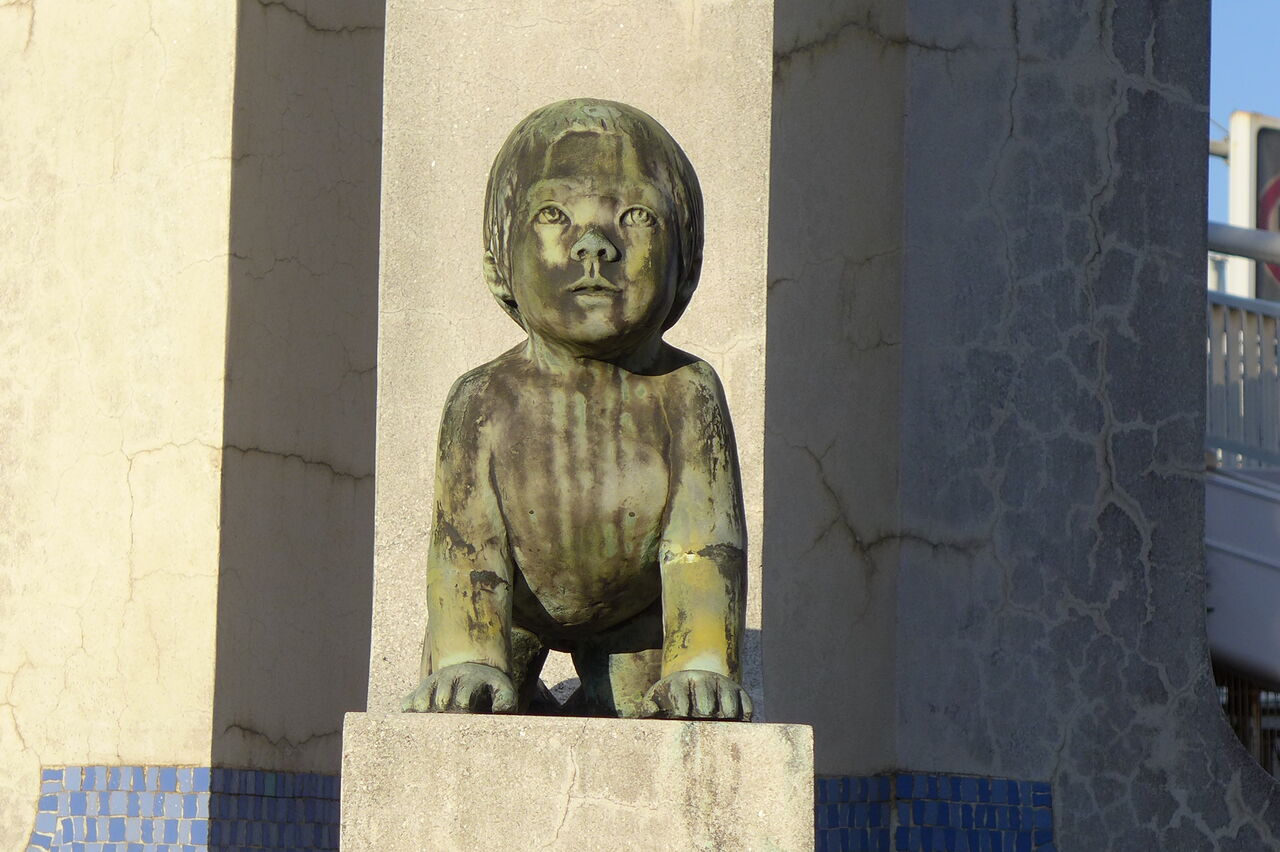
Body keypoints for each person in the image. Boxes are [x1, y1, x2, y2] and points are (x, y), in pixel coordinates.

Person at [401, 98, 751, 720]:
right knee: (468, 692)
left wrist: (700, 661)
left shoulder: (687, 391)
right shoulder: (481, 400)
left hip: (637, 621)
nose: (594, 244)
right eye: (554, 215)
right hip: (511, 617)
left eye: (636, 216)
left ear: (686, 262)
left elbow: (703, 547)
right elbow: (466, 552)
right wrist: (468, 655)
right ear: (499, 260)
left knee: (661, 712)